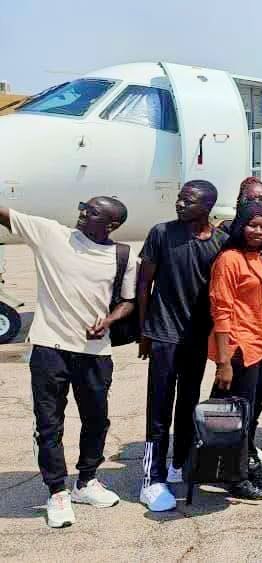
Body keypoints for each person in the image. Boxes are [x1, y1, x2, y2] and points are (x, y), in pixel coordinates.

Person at [1, 198, 135, 528]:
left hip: (95, 353)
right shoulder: (51, 234)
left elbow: (130, 301)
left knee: (96, 420)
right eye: (83, 206)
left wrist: (108, 320)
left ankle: (86, 482)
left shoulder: (123, 256)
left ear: (111, 225)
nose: (81, 213)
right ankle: (57, 491)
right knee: (49, 423)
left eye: (91, 211)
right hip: (50, 349)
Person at [137, 180, 227, 512]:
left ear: (207, 206)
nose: (179, 204)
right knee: (158, 408)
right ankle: (151, 478)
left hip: (196, 338)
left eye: (187, 200)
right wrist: (145, 330)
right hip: (163, 334)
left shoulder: (220, 242)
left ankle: (180, 463)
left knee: (188, 403)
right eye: (179, 198)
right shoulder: (161, 233)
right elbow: (145, 281)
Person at [206, 201, 262, 501]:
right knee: (236, 419)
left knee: (247, 416)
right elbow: (221, 310)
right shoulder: (229, 260)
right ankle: (235, 479)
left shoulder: (259, 258)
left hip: (260, 346)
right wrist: (223, 362)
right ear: (240, 226)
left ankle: (248, 471)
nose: (259, 231)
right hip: (238, 349)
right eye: (253, 225)